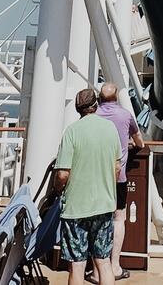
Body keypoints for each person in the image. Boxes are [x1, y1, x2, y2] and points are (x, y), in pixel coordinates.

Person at [52, 88, 122, 285]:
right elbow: (117, 167)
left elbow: (63, 173)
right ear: (96, 105)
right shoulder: (110, 128)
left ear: (78, 109)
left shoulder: (72, 132)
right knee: (103, 262)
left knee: (77, 264)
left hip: (76, 208)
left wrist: (58, 188)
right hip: (104, 205)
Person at [96, 83, 144, 282]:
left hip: (95, 178)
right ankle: (114, 266)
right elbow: (140, 142)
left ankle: (96, 269)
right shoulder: (125, 115)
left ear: (99, 98)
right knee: (118, 218)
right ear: (116, 98)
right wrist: (132, 144)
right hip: (118, 177)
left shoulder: (94, 115)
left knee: (96, 220)